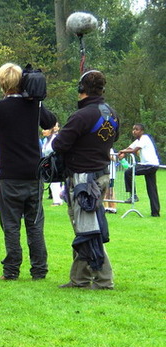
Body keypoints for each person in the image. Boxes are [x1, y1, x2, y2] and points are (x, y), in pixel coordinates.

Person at [0, 62, 57, 281]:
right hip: (33, 174)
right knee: (34, 224)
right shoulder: (33, 106)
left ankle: (11, 269)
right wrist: (36, 100)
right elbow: (50, 122)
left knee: (11, 224)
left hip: (10, 175)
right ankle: (39, 269)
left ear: (2, 83)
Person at [52, 69, 120, 290]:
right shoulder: (112, 114)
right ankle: (80, 279)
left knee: (87, 230)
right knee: (85, 226)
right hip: (101, 174)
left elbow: (59, 144)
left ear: (81, 89)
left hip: (83, 178)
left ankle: (104, 279)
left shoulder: (82, 116)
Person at [119, 124, 160, 217]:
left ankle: (133, 195)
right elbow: (130, 148)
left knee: (129, 172)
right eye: (133, 129)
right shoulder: (138, 140)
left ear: (142, 131)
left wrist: (122, 151)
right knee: (151, 189)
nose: (134, 131)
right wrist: (123, 153)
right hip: (150, 165)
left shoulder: (144, 138)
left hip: (150, 165)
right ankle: (155, 213)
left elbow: (134, 150)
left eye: (137, 129)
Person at [41, 123, 64, 206]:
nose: (43, 131)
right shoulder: (45, 140)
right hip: (48, 163)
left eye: (45, 129)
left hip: (55, 162)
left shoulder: (55, 139)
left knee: (55, 182)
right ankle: (58, 198)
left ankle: (57, 200)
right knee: (51, 182)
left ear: (50, 130)